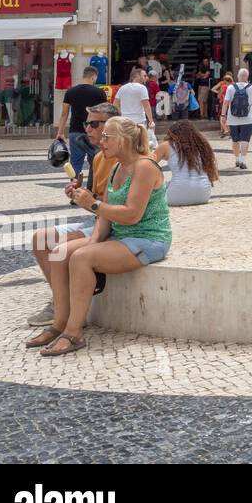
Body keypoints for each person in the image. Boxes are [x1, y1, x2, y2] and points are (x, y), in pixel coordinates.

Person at [25, 116, 172, 357]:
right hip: (120, 234)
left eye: (107, 137)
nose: (101, 141)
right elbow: (105, 210)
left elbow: (132, 215)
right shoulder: (116, 166)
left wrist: (91, 206)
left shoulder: (144, 166)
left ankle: (73, 333)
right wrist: (92, 240)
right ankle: (59, 323)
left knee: (80, 258)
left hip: (148, 238)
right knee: (62, 251)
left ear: (123, 141)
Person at [26, 102, 120, 328]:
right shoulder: (98, 158)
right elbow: (97, 202)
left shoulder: (118, 158)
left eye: (93, 124)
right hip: (99, 221)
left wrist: (91, 202)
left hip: (114, 226)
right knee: (41, 239)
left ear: (111, 127)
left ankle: (63, 308)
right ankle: (60, 301)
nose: (87, 129)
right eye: (86, 124)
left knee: (59, 250)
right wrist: (81, 196)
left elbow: (109, 208)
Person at [153, 120, 219, 206]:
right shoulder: (203, 146)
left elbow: (147, 163)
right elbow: (214, 177)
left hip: (176, 196)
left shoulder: (167, 145)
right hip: (203, 195)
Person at [55, 66, 104, 176]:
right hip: (94, 131)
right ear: (93, 77)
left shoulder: (70, 92)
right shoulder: (99, 93)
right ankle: (93, 189)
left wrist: (60, 132)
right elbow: (103, 114)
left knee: (75, 163)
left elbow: (64, 114)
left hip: (75, 131)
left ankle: (74, 188)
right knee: (96, 162)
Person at [221, 67, 252, 170]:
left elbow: (225, 102)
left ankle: (237, 159)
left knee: (235, 140)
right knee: (245, 140)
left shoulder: (231, 87)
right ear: (247, 77)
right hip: (247, 118)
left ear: (237, 77)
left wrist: (223, 115)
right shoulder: (251, 87)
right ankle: (243, 160)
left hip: (232, 118)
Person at [213, 72, 233, 137]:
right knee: (229, 116)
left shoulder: (223, 86)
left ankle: (224, 130)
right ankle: (229, 130)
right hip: (232, 103)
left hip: (223, 102)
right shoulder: (234, 85)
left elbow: (219, 96)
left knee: (222, 116)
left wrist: (219, 93)